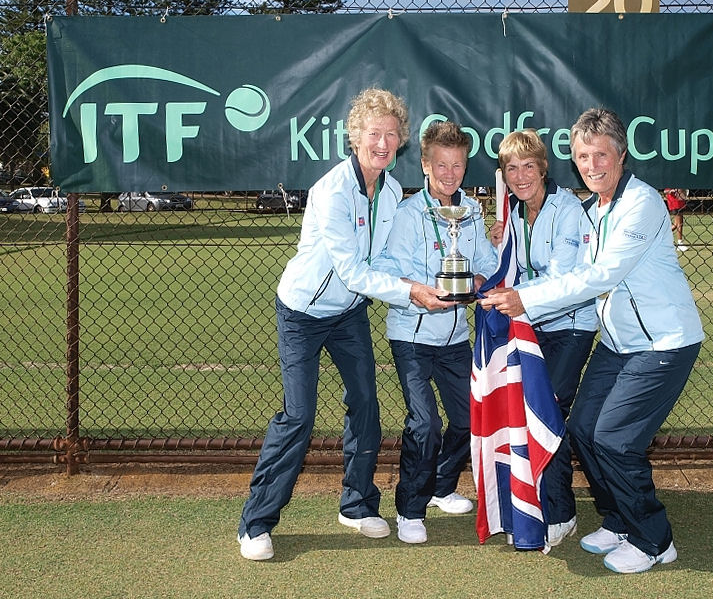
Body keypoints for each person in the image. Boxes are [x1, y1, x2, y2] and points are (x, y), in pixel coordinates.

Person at [479, 108, 704, 574]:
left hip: (664, 343)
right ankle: (619, 520)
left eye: (600, 154)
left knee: (616, 439)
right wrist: (506, 240)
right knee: (582, 429)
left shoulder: (641, 203)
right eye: (583, 156)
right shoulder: (592, 209)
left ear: (620, 154)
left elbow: (600, 275)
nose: (592, 164)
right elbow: (564, 265)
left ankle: (654, 539)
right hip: (619, 344)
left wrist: (526, 300)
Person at [237, 88, 452, 561]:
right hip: (302, 312)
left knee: (365, 403)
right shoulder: (331, 191)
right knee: (299, 416)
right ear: (355, 137)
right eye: (374, 133)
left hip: (349, 313)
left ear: (400, 143)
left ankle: (356, 505)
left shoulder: (393, 190)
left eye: (392, 135)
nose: (383, 143)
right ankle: (255, 522)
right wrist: (412, 291)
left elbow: (392, 255)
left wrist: (468, 239)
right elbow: (354, 270)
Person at [380, 121, 497, 544]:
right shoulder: (409, 214)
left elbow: (484, 260)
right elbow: (391, 270)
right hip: (411, 334)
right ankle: (410, 509)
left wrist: (476, 280)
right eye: (442, 165)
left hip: (455, 338)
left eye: (458, 166)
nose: (450, 174)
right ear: (426, 166)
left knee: (468, 418)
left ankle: (441, 487)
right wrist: (425, 290)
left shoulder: (470, 212)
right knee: (425, 423)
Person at [488, 130, 597, 548]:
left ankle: (561, 512)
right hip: (533, 326)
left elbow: (563, 278)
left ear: (543, 167)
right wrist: (496, 242)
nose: (519, 176)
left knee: (547, 410)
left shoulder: (567, 208)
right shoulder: (514, 211)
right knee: (531, 411)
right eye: (511, 168)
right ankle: (540, 504)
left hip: (571, 325)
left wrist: (515, 300)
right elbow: (513, 270)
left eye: (527, 166)